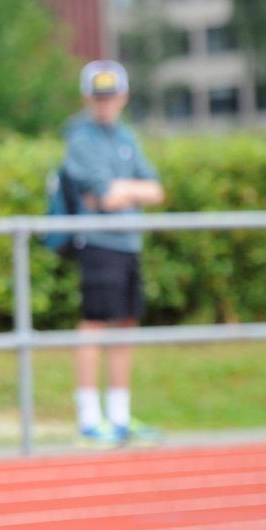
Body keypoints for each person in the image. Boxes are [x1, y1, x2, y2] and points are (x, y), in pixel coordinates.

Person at [62, 60, 166, 448]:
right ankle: (90, 419)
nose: (105, 103)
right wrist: (126, 191)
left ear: (123, 96)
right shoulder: (80, 138)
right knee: (94, 325)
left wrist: (123, 191)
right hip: (98, 244)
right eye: (98, 96)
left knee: (126, 325)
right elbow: (102, 197)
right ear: (88, 97)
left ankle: (120, 416)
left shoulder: (126, 136)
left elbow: (155, 189)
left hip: (129, 243)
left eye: (112, 96)